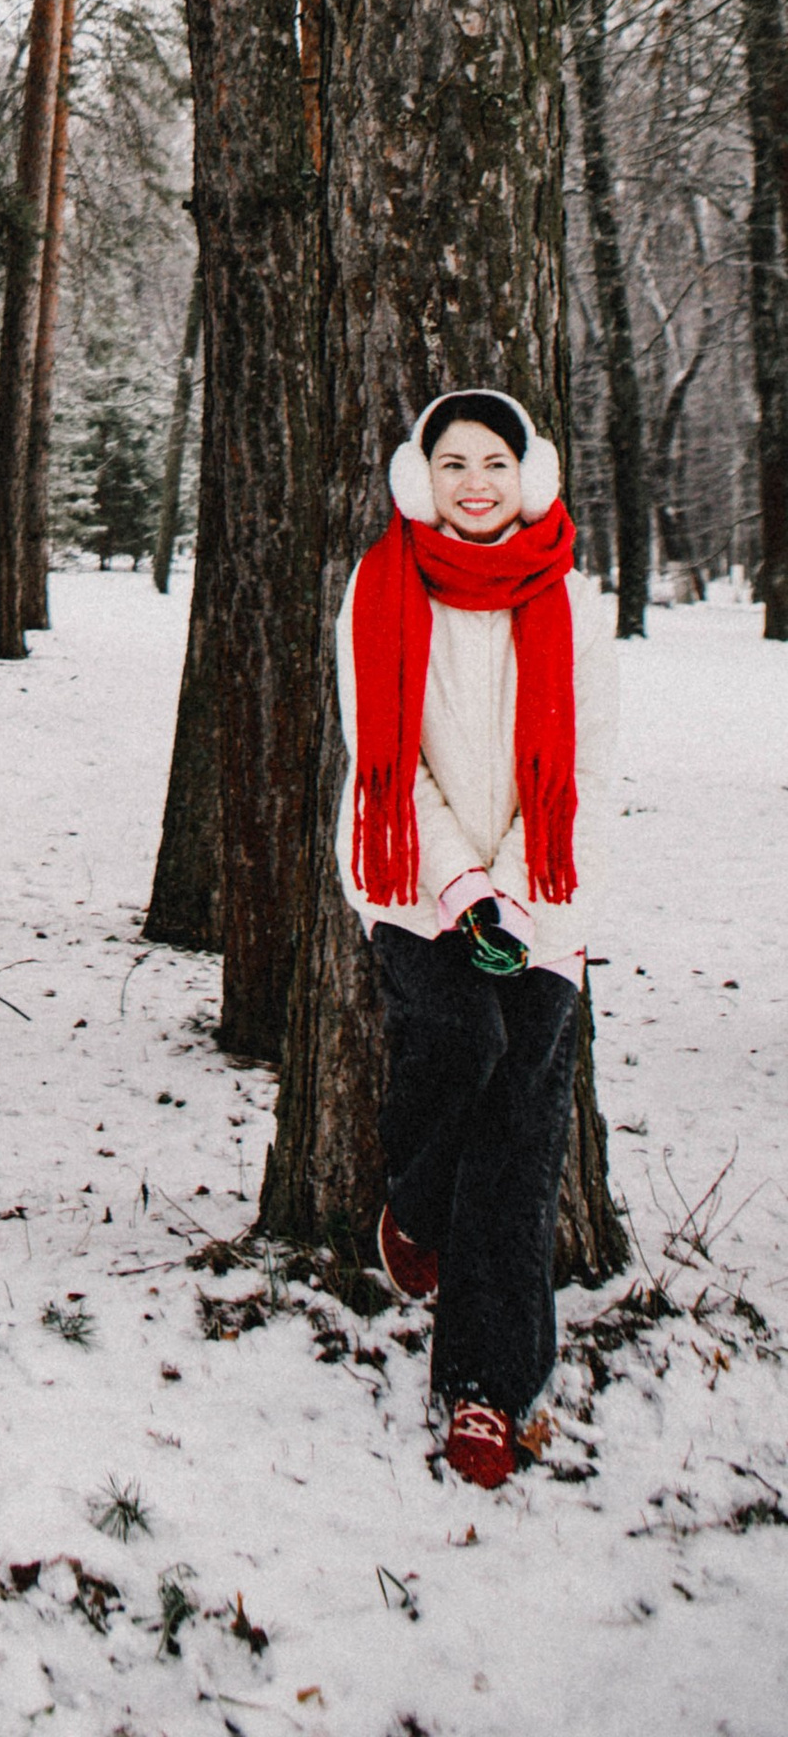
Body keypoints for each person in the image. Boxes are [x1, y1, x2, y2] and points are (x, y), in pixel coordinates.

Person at [334, 385, 618, 1490]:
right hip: (410, 876)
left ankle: (485, 1390)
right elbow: (382, 763)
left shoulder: (574, 604)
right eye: (451, 463)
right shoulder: (377, 588)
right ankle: (409, 1199)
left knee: (520, 1125)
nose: (473, 483)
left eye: (492, 461)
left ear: (527, 473)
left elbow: (586, 771)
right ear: (422, 477)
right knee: (460, 1039)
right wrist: (461, 887)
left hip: (547, 887)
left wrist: (513, 892)